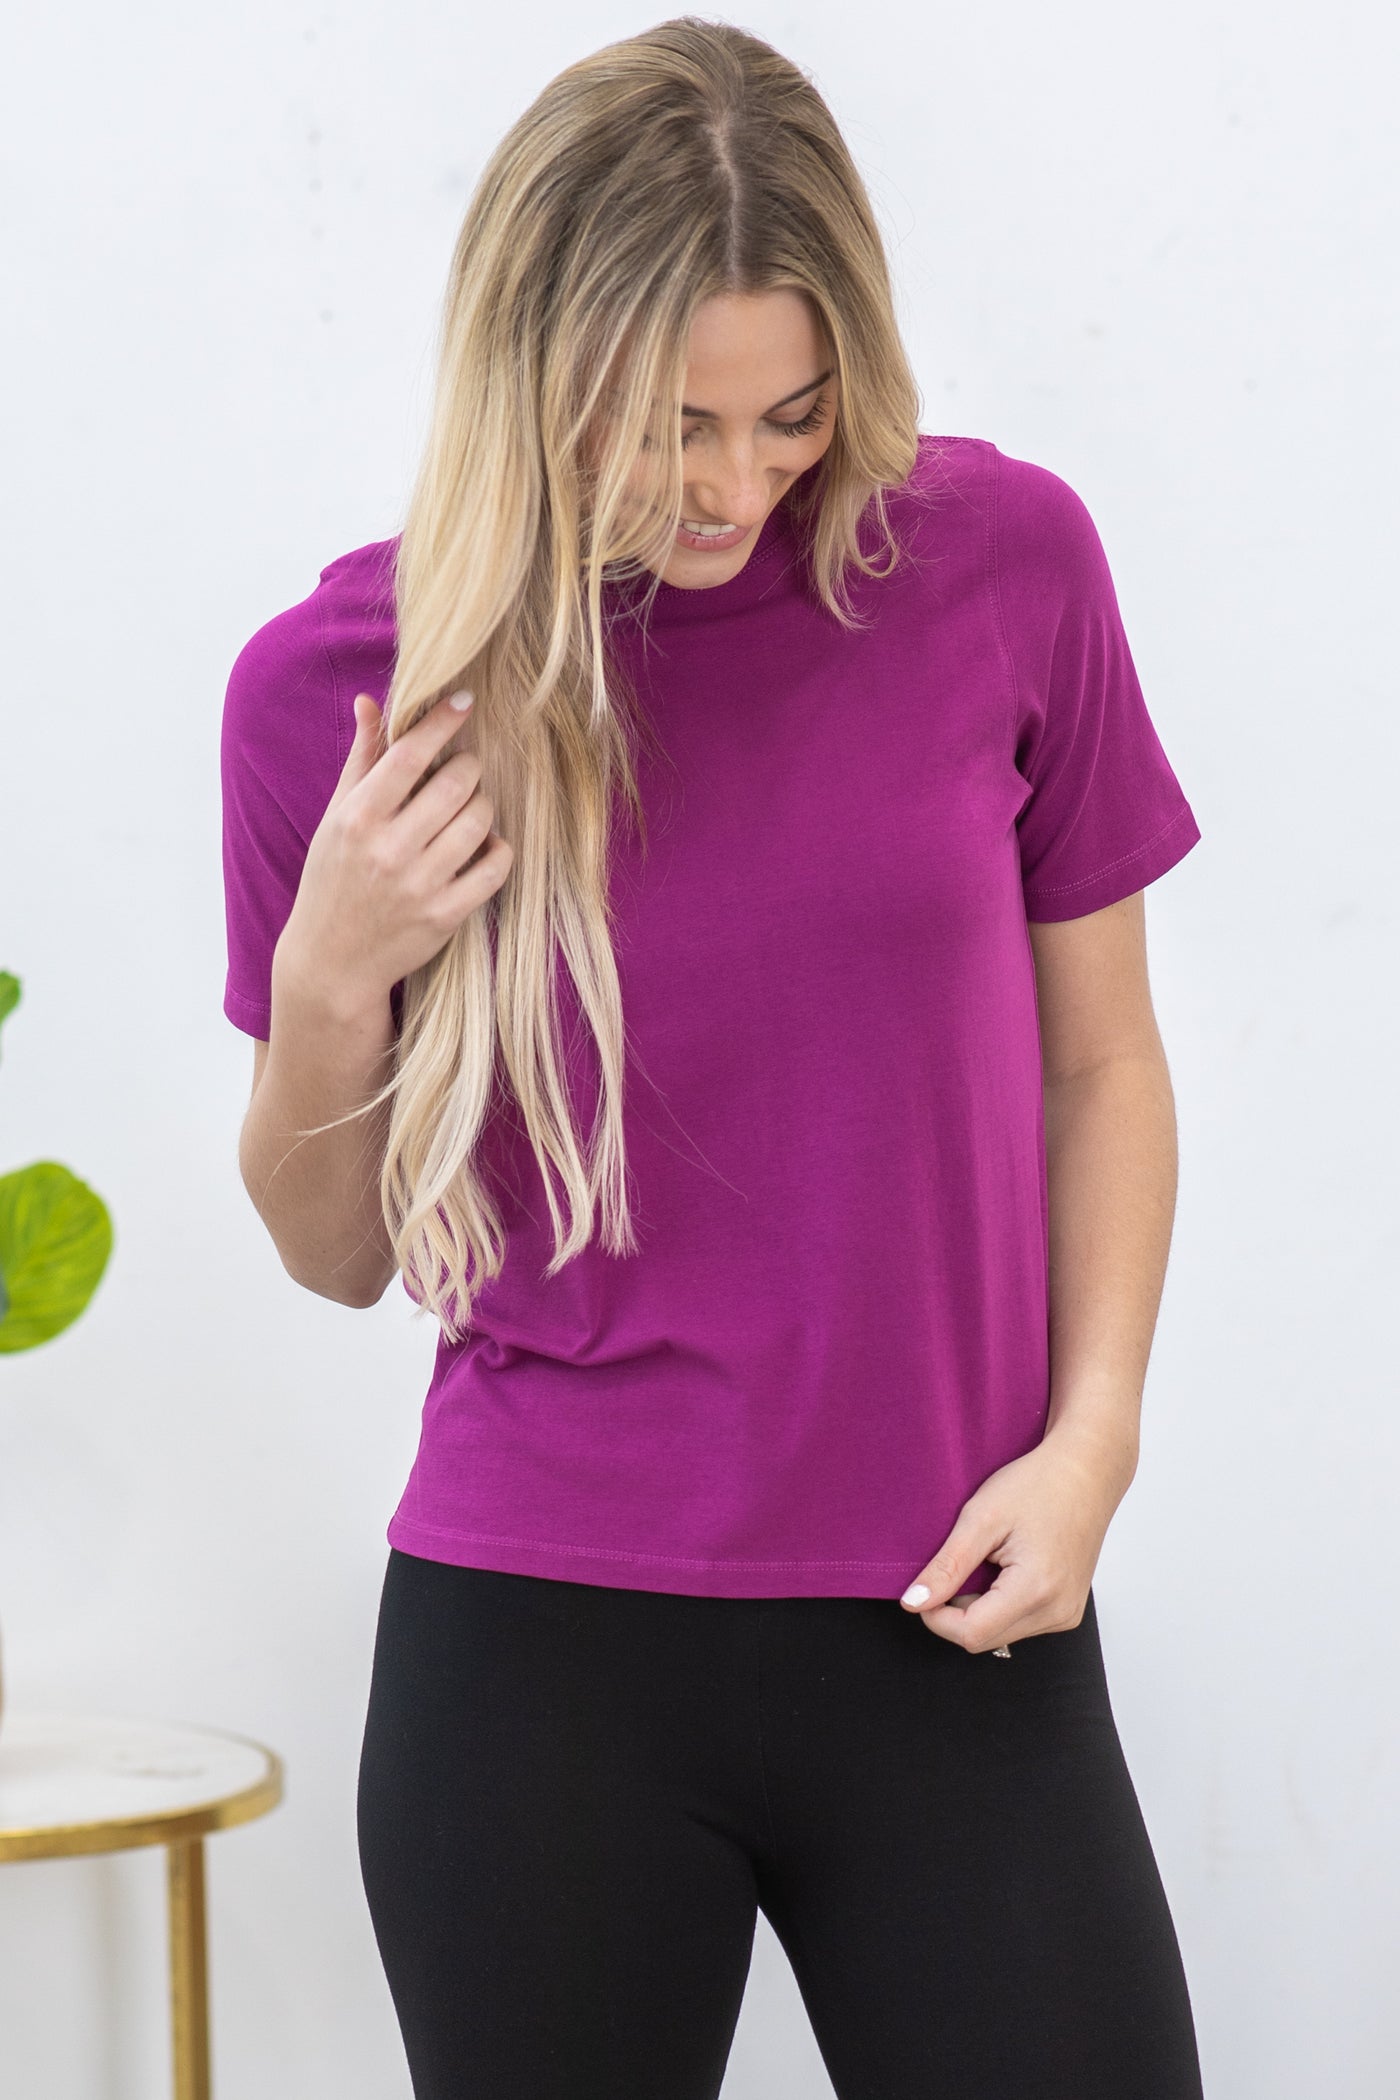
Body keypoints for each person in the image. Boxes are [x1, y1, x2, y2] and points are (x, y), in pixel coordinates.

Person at [220, 18, 1207, 2098]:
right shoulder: (345, 695)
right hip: (538, 1657)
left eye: (791, 415)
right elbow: (332, 1254)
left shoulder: (1002, 568)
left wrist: (1094, 1440)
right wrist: (333, 968)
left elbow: (1102, 1065)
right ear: (535, 370)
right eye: (671, 426)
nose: (741, 484)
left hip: (957, 1611)